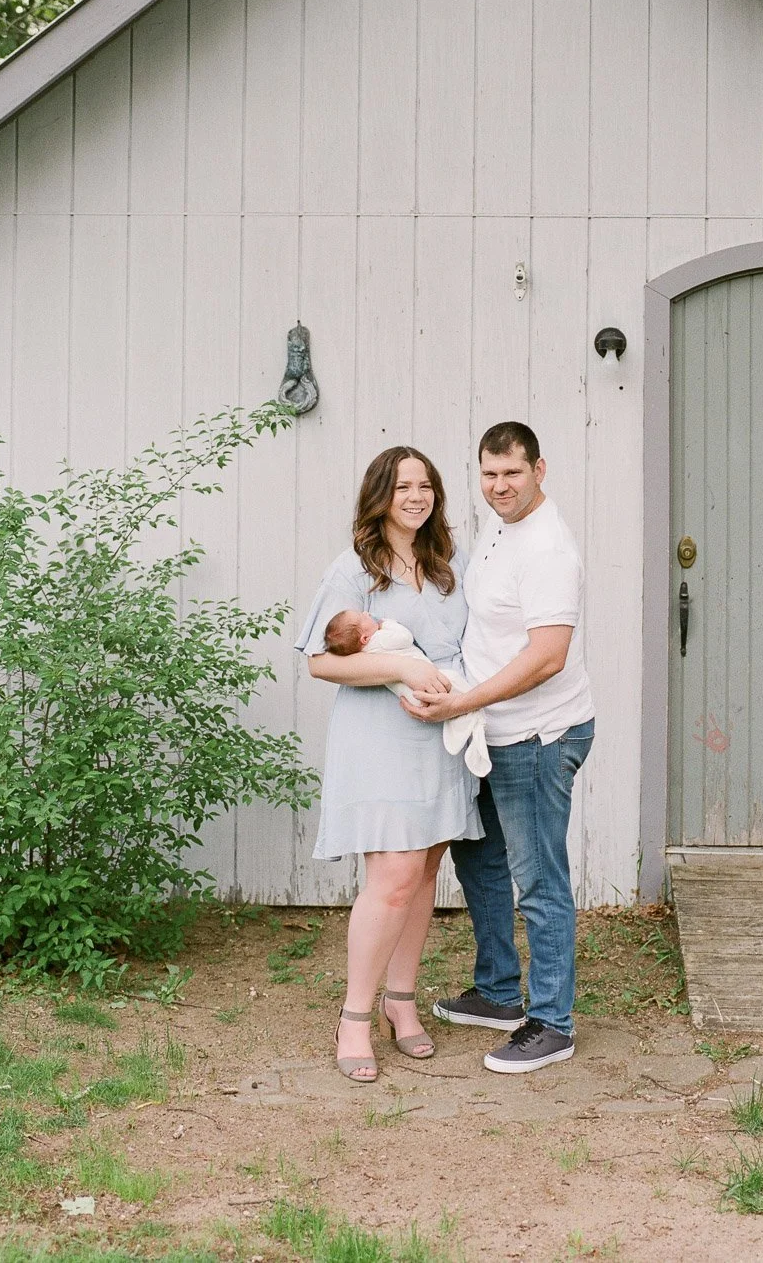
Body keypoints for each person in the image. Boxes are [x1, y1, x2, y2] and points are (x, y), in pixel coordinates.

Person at [399, 422, 595, 1073]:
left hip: (538, 734)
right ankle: (497, 993)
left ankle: (551, 1023)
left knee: (538, 880)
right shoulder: (498, 528)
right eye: (487, 473)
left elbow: (546, 657)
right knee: (479, 860)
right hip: (491, 728)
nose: (498, 486)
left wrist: (461, 702)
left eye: (511, 473)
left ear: (539, 469)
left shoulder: (547, 550)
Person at [297, 447, 483, 1082]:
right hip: (382, 741)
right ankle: (354, 1016)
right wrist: (402, 667)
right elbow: (321, 661)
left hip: (442, 737)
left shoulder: (445, 565)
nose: (416, 495)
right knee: (393, 877)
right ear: (380, 495)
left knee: (427, 869)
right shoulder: (354, 570)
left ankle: (401, 1003)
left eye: (425, 485)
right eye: (403, 486)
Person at [323, 610, 491, 775]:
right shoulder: (381, 639)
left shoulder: (365, 651)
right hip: (425, 685)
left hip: (412, 696)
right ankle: (473, 716)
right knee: (455, 682)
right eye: (362, 617)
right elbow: (405, 638)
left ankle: (461, 730)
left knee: (452, 705)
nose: (366, 613)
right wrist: (386, 623)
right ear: (365, 638)